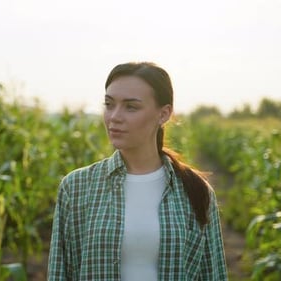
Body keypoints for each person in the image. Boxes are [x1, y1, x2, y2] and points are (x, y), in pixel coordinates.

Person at [47, 62, 228, 280]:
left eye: (131, 107)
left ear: (163, 114)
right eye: (109, 104)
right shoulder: (76, 187)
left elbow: (213, 275)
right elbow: (60, 274)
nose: (114, 116)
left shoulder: (196, 191)